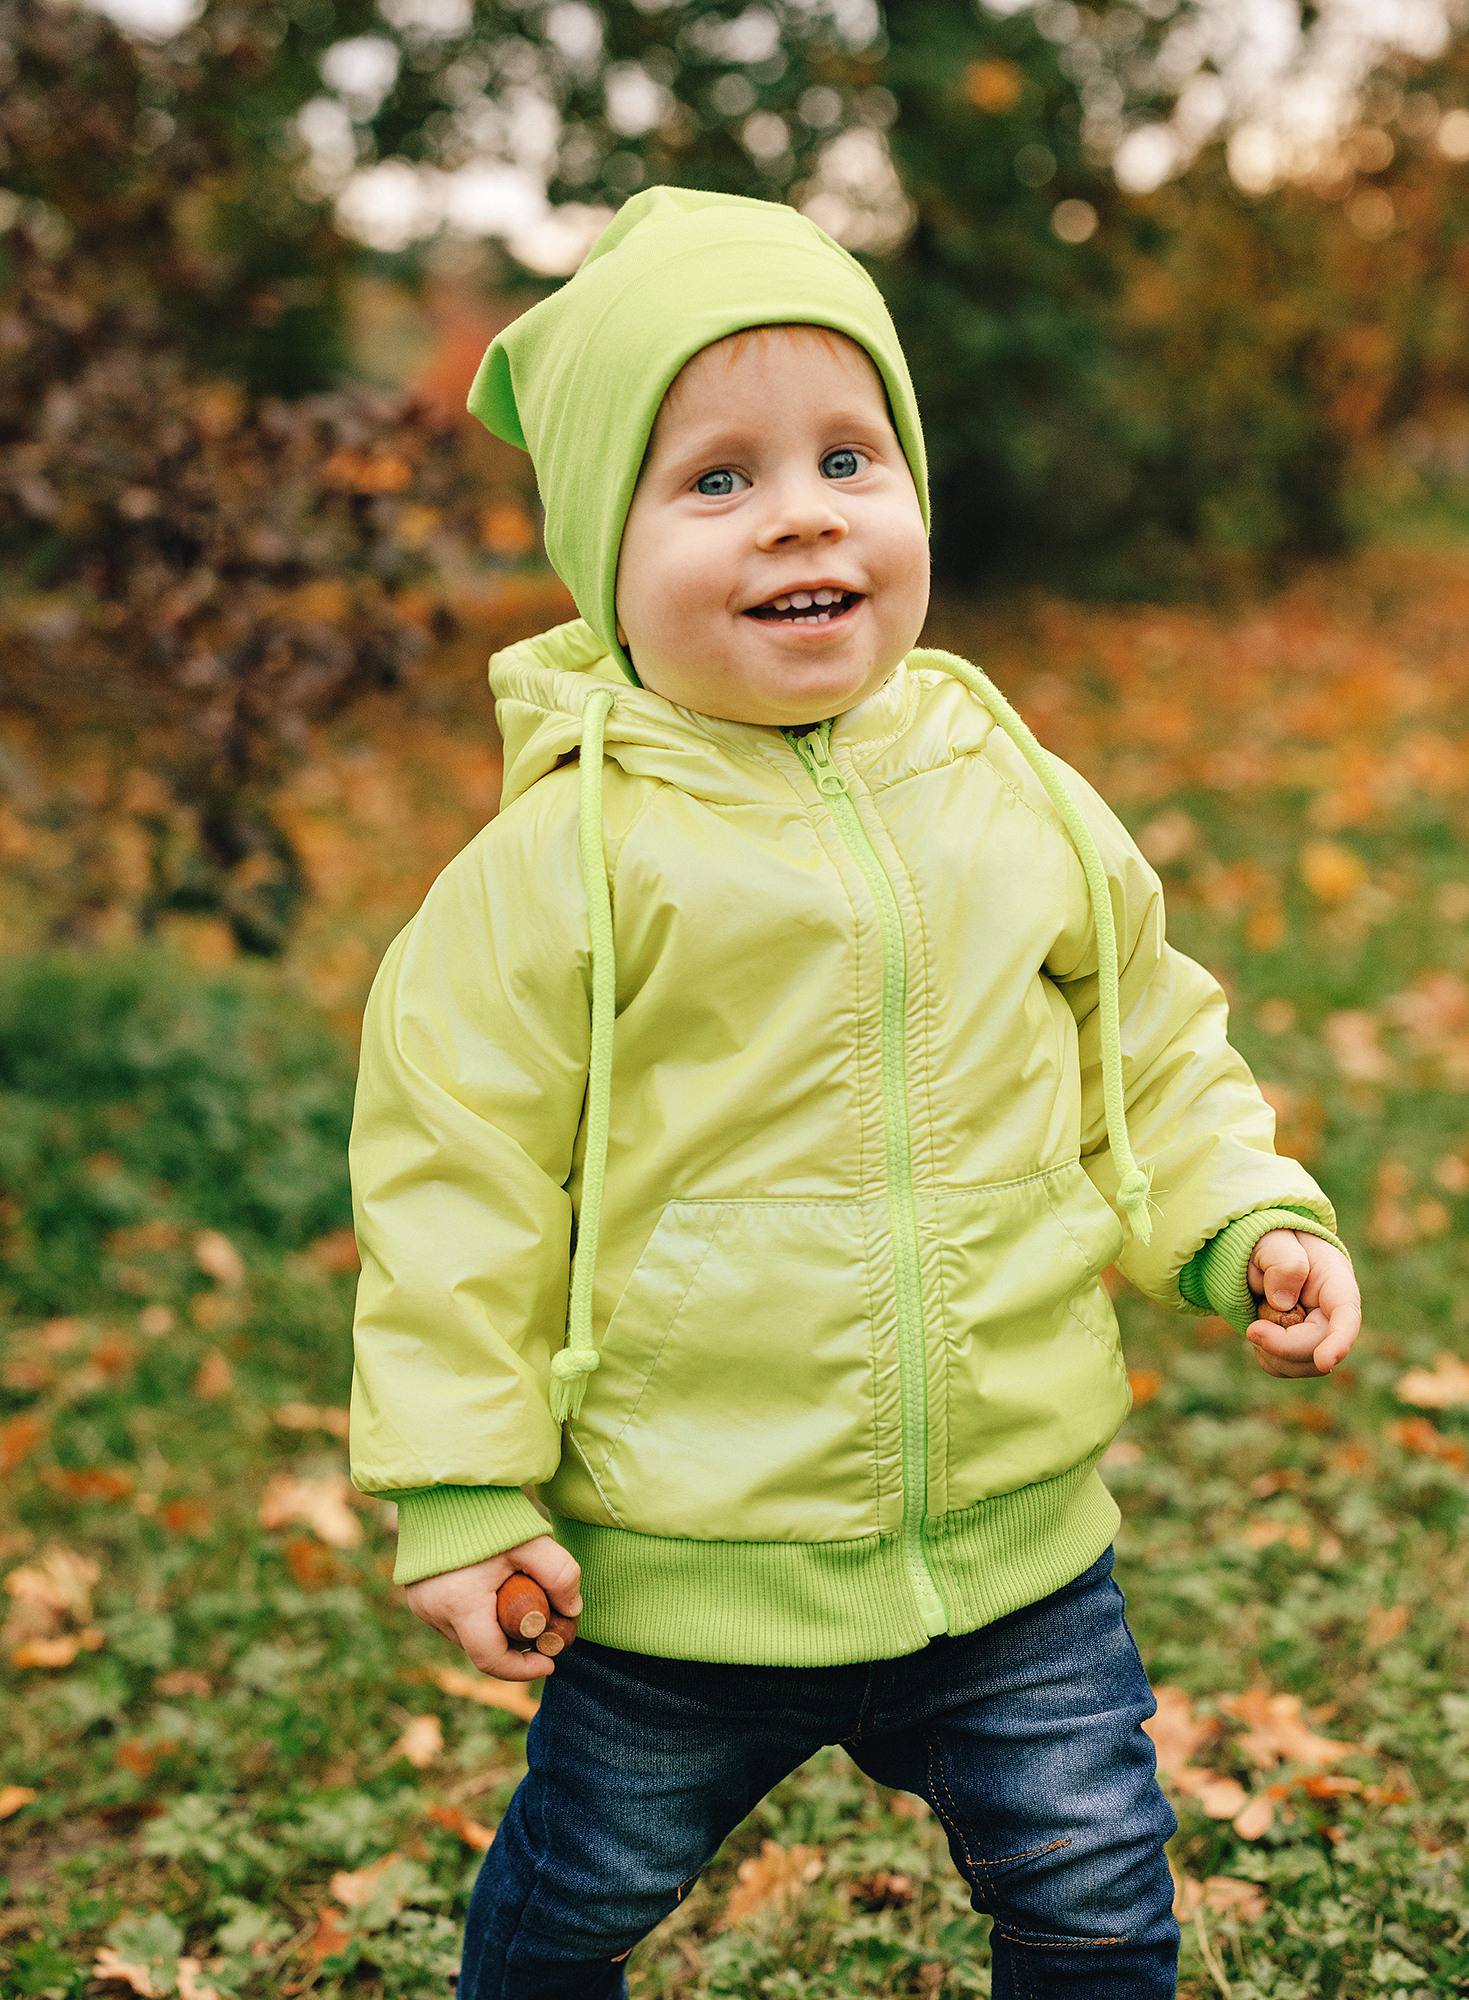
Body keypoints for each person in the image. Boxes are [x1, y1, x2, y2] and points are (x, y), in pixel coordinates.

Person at [348, 187, 1361, 2000]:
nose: (801, 508)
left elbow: (1141, 1038)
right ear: (605, 552)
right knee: (573, 1904)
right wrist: (460, 1481)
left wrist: (1239, 1215)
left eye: (846, 455)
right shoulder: (560, 863)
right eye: (716, 479)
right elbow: (456, 1175)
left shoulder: (1009, 788)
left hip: (1019, 1554)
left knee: (1097, 1908)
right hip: (679, 1566)